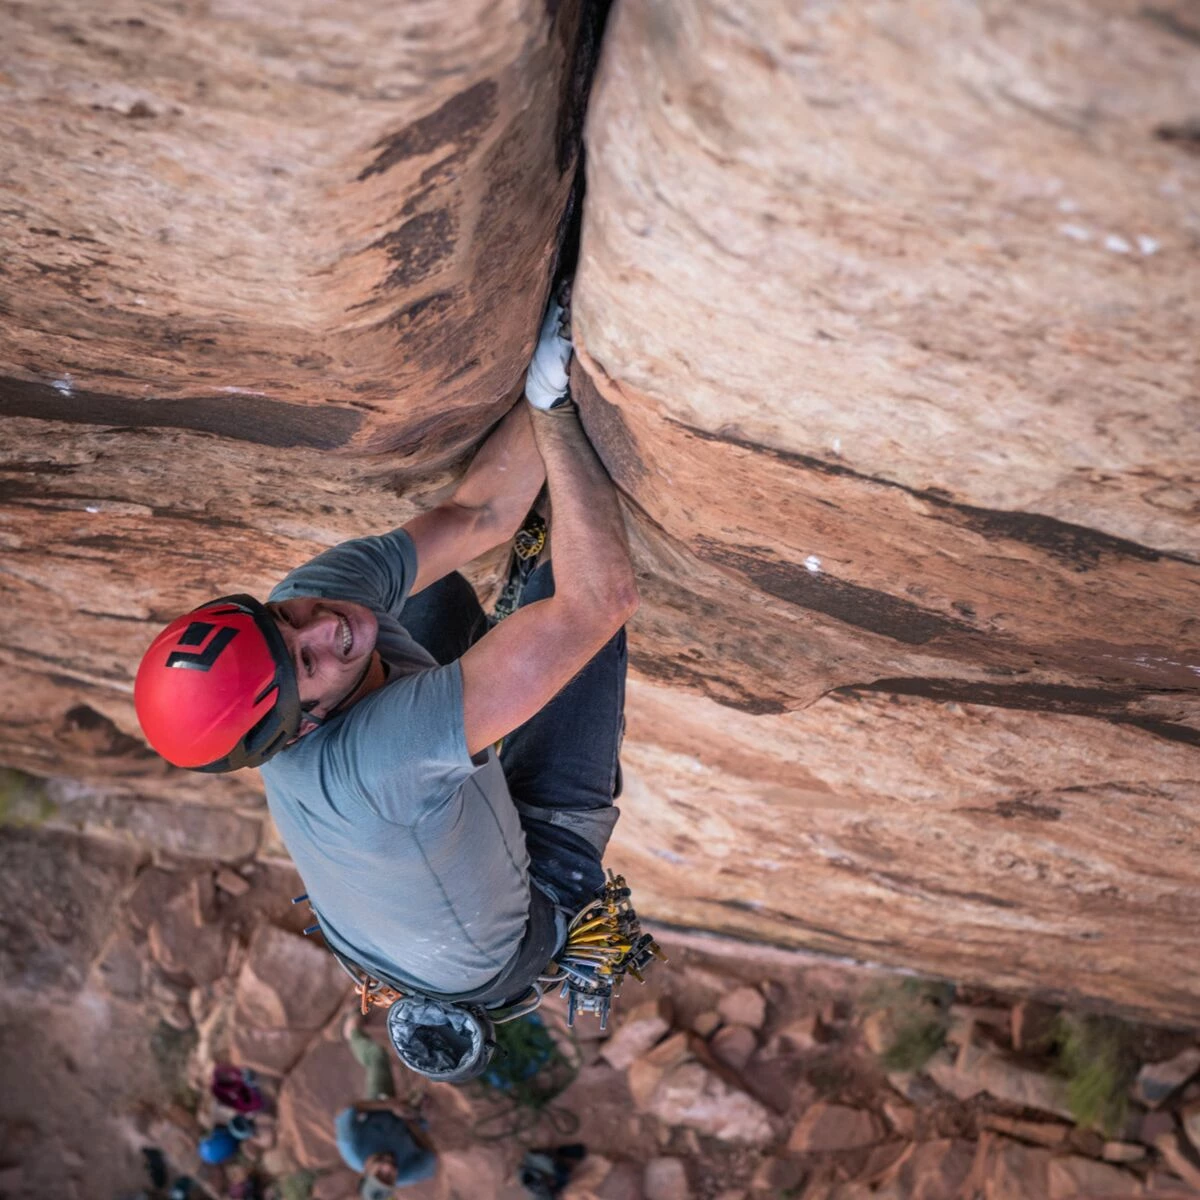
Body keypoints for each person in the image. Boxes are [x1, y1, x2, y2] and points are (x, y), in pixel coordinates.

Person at [134, 289, 639, 1066]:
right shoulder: (382, 758)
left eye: (285, 618)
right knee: (574, 605)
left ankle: (495, 676)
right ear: (301, 726)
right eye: (306, 661)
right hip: (502, 938)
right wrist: (562, 414)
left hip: (399, 895)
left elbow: (475, 514)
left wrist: (545, 374)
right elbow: (598, 602)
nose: (321, 625)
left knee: (418, 593)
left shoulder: (311, 607)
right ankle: (505, 668)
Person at [336, 1012, 436, 1198]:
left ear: (365, 1173)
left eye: (380, 1174)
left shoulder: (351, 1148)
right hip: (408, 1123)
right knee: (428, 1089)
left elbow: (347, 1109)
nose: (389, 1169)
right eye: (390, 1178)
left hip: (380, 1106)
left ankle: (353, 1033)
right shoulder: (408, 1174)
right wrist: (412, 1124)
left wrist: (390, 1105)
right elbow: (431, 1155)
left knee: (378, 1057)